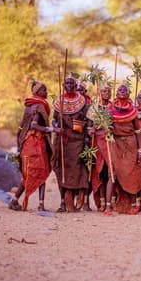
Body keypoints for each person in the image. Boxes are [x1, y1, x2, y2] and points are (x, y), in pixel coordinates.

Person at [9, 81, 54, 212]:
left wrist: (19, 146)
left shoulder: (28, 106)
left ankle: (15, 200)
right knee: (42, 171)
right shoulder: (39, 106)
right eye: (44, 90)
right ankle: (40, 204)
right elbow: (34, 125)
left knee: (30, 173)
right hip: (36, 142)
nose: (46, 92)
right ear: (37, 92)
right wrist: (52, 129)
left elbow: (20, 127)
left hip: (26, 143)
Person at [104, 84, 141, 215]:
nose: (122, 91)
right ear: (116, 93)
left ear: (128, 93)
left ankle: (133, 205)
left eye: (125, 90)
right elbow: (106, 128)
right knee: (113, 173)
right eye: (120, 90)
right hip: (115, 144)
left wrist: (140, 150)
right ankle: (108, 206)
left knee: (131, 173)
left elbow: (138, 131)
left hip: (131, 144)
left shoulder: (133, 110)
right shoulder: (109, 110)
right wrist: (108, 129)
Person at [52, 75, 89, 212]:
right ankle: (63, 202)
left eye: (71, 83)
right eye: (67, 82)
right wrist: (57, 126)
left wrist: (79, 129)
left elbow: (87, 120)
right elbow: (54, 120)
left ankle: (75, 197)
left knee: (77, 169)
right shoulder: (58, 102)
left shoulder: (82, 102)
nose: (69, 85)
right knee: (62, 169)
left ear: (75, 85)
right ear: (63, 85)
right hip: (62, 140)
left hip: (77, 140)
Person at [87, 84, 112, 211]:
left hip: (111, 142)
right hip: (98, 143)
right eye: (104, 91)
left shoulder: (113, 107)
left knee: (111, 171)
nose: (106, 93)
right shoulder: (94, 108)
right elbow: (89, 126)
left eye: (108, 91)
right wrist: (91, 131)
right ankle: (102, 201)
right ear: (100, 93)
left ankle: (110, 201)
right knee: (100, 173)